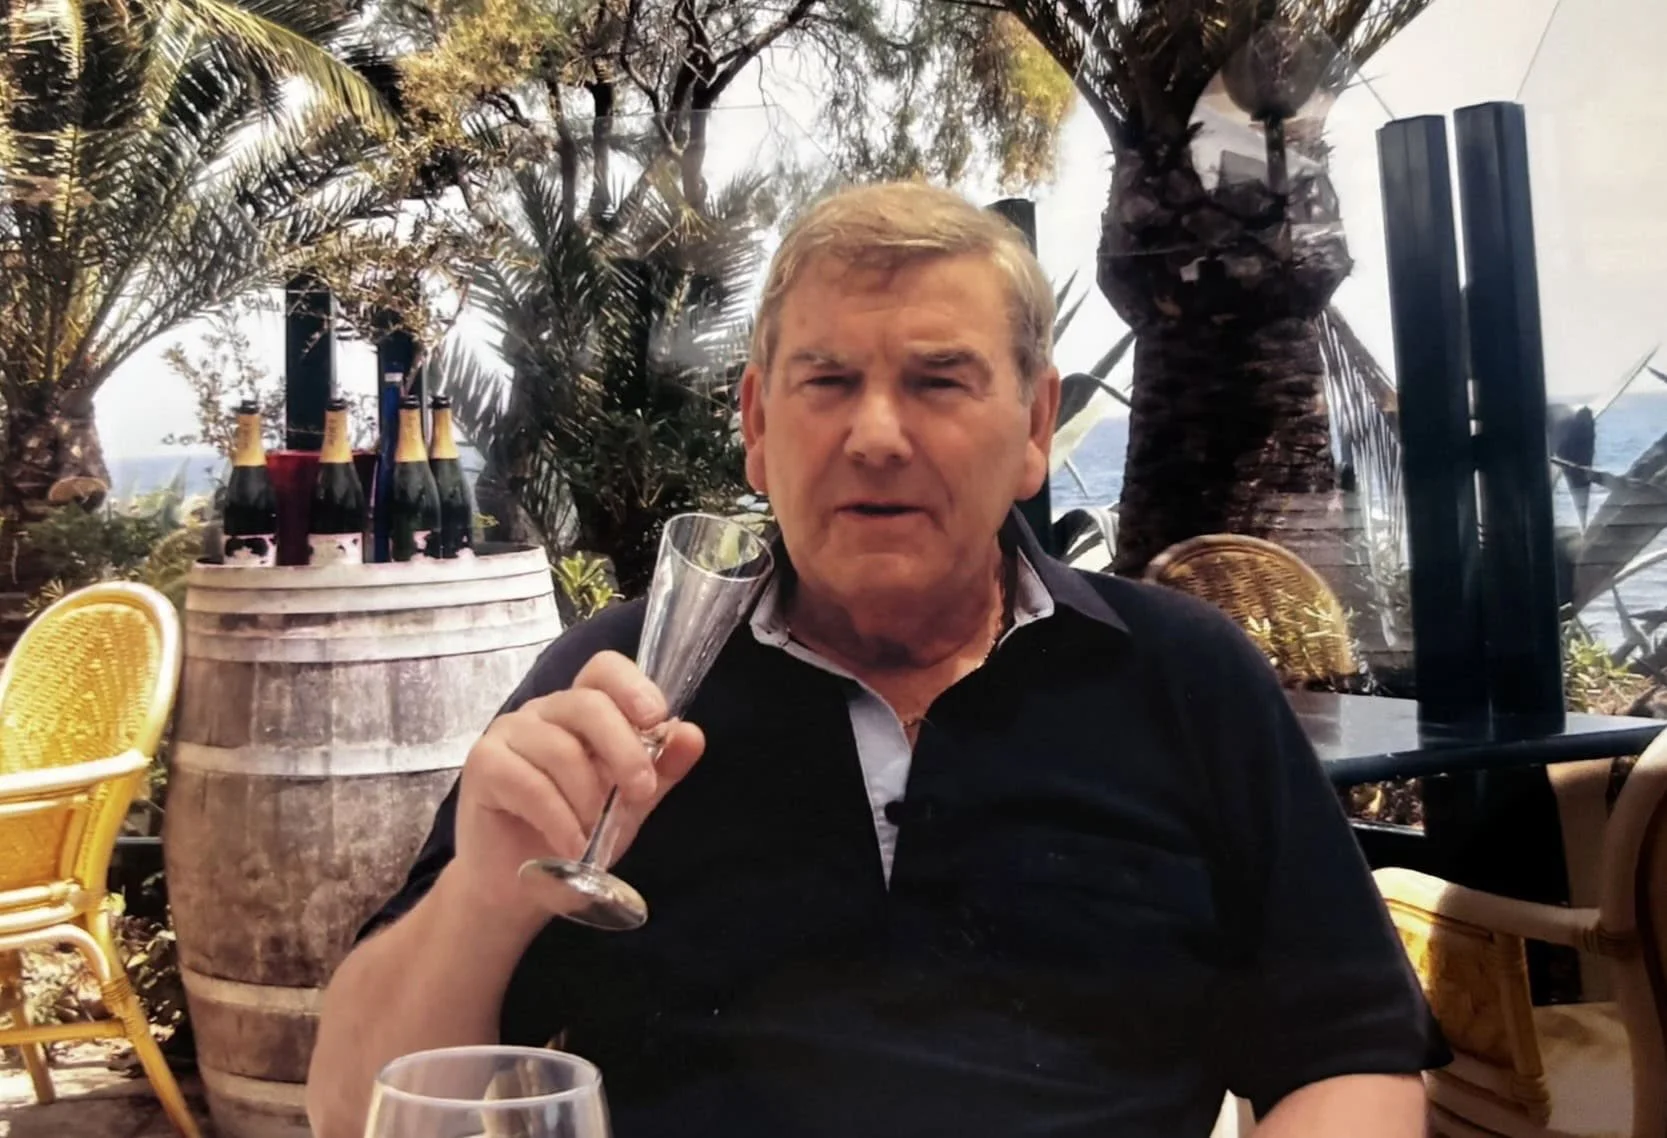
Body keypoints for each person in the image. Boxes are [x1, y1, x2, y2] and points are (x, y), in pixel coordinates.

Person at [307, 181, 1448, 1138]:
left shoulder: (1181, 679)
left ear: (1036, 428)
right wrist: (482, 890)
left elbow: (1349, 1058)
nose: (876, 435)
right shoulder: (620, 693)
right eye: (828, 382)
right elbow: (351, 1100)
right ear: (757, 426)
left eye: (938, 381)